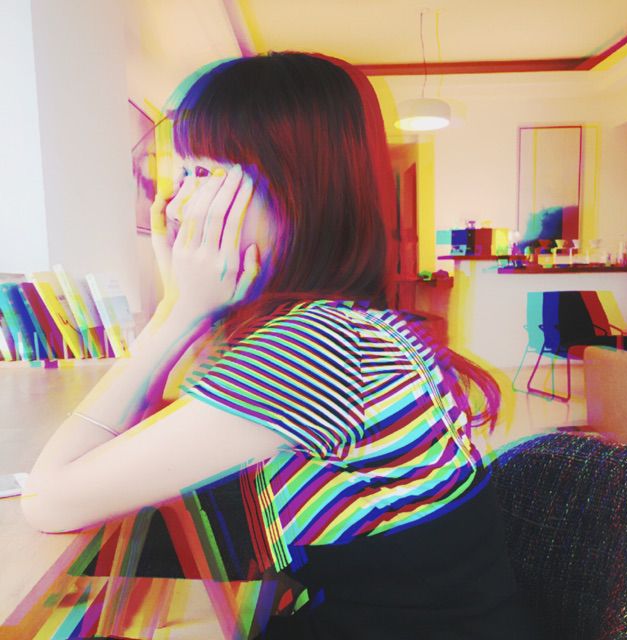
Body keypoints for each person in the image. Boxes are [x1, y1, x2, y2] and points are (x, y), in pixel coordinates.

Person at [21, 52, 542, 639]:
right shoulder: (351, 324)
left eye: (201, 174)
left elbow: (47, 502)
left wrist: (178, 311)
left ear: (295, 187)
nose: (175, 205)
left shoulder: (316, 347)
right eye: (180, 175)